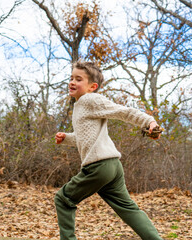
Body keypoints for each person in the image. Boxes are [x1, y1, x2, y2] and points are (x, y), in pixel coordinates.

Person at [54, 60, 163, 240]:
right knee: (128, 208)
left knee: (63, 199)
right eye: (71, 78)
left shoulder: (90, 99)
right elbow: (86, 138)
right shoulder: (81, 105)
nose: (72, 82)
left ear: (92, 86)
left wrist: (148, 121)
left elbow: (122, 111)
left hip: (98, 166)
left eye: (79, 79)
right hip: (112, 166)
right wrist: (66, 138)